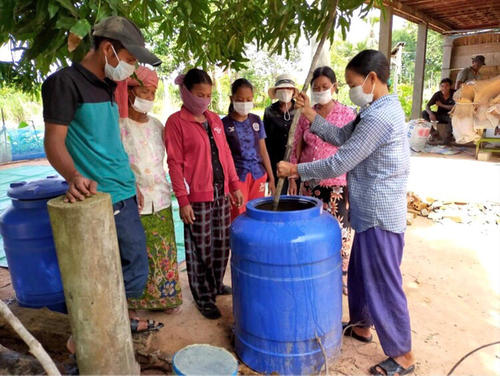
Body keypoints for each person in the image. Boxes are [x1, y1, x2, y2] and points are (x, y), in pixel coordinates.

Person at [277, 50, 415, 376]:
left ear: (371, 79)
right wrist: (310, 113)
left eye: (353, 83)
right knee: (360, 275)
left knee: (383, 282)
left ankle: (403, 355)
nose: (353, 89)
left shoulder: (380, 117)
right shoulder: (373, 111)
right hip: (368, 211)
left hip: (380, 215)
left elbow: (341, 161)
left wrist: (296, 169)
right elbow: (341, 137)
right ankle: (362, 325)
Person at [42, 16, 163, 333]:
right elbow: (53, 141)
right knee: (126, 270)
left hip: (122, 190)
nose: (130, 67)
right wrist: (73, 176)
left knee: (127, 268)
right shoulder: (64, 83)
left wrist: (130, 180)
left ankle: (113, 325)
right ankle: (94, 332)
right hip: (101, 196)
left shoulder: (109, 85)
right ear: (108, 49)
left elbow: (109, 141)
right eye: (130, 59)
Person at [165, 68, 244, 320]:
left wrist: (234, 185)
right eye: (199, 94)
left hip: (220, 193)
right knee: (200, 248)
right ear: (186, 93)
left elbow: (226, 155)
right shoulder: (176, 123)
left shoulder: (214, 120)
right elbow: (174, 163)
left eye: (208, 95)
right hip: (196, 197)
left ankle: (216, 284)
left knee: (222, 243)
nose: (205, 99)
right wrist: (183, 199)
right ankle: (203, 296)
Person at [119, 66, 182, 312]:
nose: (149, 98)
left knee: (164, 250)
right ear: (130, 92)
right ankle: (135, 301)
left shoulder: (157, 126)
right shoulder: (119, 126)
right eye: (144, 92)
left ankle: (165, 298)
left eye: (153, 93)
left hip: (161, 197)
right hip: (134, 199)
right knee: (137, 252)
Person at [289, 66, 356, 295]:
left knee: (340, 229)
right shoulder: (304, 115)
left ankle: (340, 275)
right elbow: (297, 144)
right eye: (316, 88)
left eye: (325, 87)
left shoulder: (347, 115)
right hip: (309, 182)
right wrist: (292, 175)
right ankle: (313, 270)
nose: (320, 91)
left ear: (335, 87)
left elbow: (350, 151)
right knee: (311, 228)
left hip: (336, 183)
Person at [222, 79, 276, 220]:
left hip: (258, 175)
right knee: (238, 216)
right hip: (237, 178)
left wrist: (271, 178)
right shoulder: (224, 124)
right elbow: (223, 157)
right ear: (232, 99)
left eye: (248, 99)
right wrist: (227, 185)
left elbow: (263, 151)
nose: (245, 103)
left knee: (257, 214)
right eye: (240, 99)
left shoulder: (256, 120)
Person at [264, 74, 299, 195]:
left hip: (297, 163)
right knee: (279, 199)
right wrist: (269, 175)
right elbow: (266, 142)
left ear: (293, 91)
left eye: (288, 88)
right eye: (282, 89)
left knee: (297, 201)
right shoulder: (269, 111)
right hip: (276, 163)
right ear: (276, 92)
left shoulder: (300, 110)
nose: (285, 92)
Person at [422, 78, 455, 145]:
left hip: (450, 115)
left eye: (447, 86)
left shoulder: (454, 93)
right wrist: (431, 114)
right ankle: (434, 134)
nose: (444, 88)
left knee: (453, 118)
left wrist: (441, 105)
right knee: (424, 113)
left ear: (450, 86)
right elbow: (427, 106)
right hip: (439, 114)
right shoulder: (437, 94)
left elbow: (455, 107)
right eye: (442, 86)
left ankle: (448, 138)